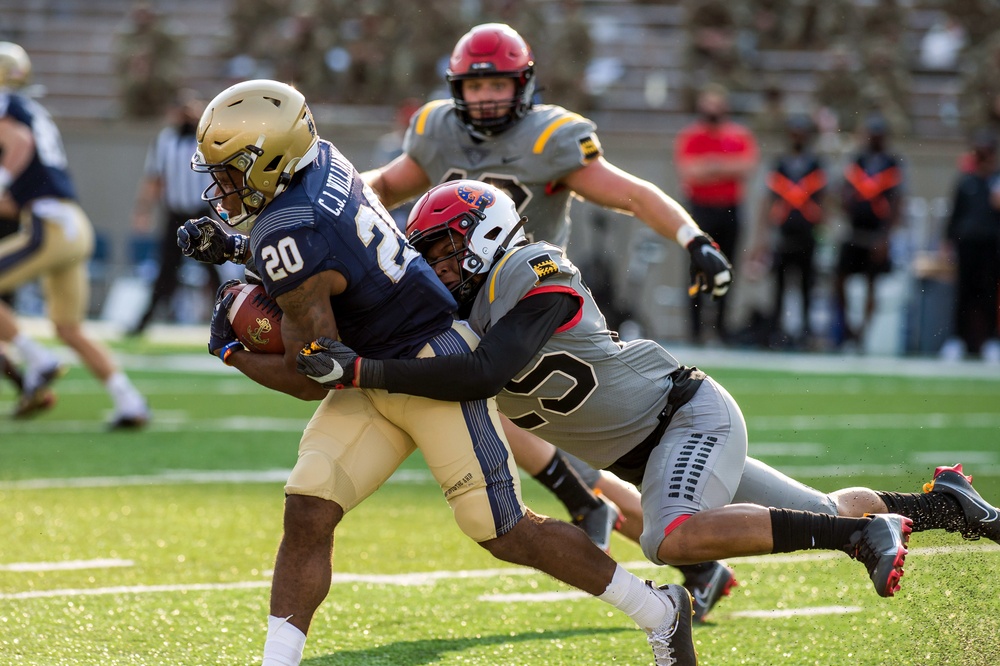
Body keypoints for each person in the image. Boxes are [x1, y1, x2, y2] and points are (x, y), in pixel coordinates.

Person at [176, 79, 697, 666]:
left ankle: (660, 610)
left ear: (272, 158)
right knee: (309, 507)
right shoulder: (321, 160)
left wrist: (232, 348)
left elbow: (311, 374)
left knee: (503, 531)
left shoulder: (284, 231)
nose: (221, 186)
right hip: (370, 365)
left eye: (231, 170)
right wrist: (239, 247)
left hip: (426, 362)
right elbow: (326, 253)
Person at [297, 179, 1000, 605]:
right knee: (817, 510)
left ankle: (859, 536)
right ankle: (942, 504)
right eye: (433, 257)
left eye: (447, 250)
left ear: (482, 236)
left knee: (672, 540)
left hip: (684, 419)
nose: (440, 268)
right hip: (653, 450)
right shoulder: (454, 311)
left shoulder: (533, 268)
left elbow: (485, 373)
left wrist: (363, 372)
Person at [359, 22, 738, 618]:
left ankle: (587, 505)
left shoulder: (550, 138)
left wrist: (693, 237)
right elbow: (385, 183)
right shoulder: (436, 129)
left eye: (498, 83)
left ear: (524, 84)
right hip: (465, 299)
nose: (485, 97)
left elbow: (632, 194)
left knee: (485, 401)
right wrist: (335, 207)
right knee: (579, 456)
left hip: (531, 301)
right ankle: (695, 562)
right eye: (474, 85)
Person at [0, 42, 149, 427]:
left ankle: (37, 359)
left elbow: (20, 144)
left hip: (49, 225)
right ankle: (129, 400)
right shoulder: (31, 109)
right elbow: (18, 199)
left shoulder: (8, 107)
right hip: (70, 225)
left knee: (60, 335)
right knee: (69, 329)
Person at [128, 90, 221, 336]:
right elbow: (154, 179)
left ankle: (230, 320)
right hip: (175, 214)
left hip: (202, 214)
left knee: (215, 268)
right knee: (166, 270)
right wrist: (143, 210)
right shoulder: (165, 140)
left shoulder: (206, 139)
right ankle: (144, 322)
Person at [674, 82, 759, 345]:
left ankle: (721, 328)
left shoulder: (738, 135)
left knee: (726, 268)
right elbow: (689, 171)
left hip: (730, 209)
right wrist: (721, 168)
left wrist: (711, 166)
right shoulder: (691, 136)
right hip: (700, 210)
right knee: (697, 268)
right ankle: (695, 331)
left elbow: (746, 166)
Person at [752, 114, 827, 349]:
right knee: (779, 287)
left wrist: (825, 232)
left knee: (807, 286)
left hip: (808, 233)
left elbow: (827, 201)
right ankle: (777, 332)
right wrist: (762, 238)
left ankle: (805, 333)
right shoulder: (778, 165)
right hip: (783, 235)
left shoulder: (817, 165)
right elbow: (766, 202)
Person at [831, 114, 904, 350]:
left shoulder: (892, 164)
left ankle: (863, 332)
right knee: (839, 278)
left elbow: (896, 201)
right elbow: (843, 189)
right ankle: (848, 327)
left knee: (872, 282)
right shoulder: (857, 161)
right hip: (855, 230)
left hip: (876, 232)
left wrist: (886, 236)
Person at [939, 129, 1000, 362]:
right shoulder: (966, 181)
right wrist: (947, 241)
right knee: (964, 293)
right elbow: (955, 214)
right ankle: (957, 339)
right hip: (967, 244)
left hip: (991, 244)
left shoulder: (996, 180)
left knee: (989, 294)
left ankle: (991, 341)